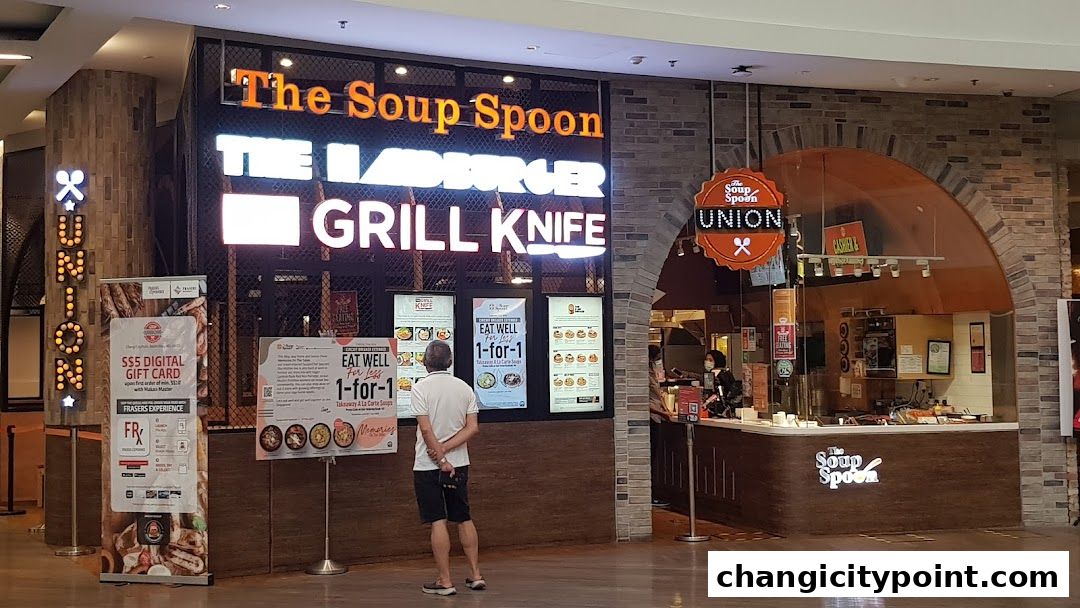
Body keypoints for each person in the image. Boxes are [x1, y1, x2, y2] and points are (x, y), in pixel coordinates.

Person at [411, 340, 483, 596]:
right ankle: (475, 575)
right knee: (463, 517)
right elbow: (472, 428)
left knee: (437, 520)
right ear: (450, 361)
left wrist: (440, 457)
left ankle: (445, 580)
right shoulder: (464, 387)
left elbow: (426, 429)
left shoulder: (420, 388)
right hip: (460, 464)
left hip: (427, 465)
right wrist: (448, 451)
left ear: (424, 362)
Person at [648, 345, 671, 508]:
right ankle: (649, 495)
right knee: (650, 457)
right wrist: (663, 413)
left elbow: (657, 394)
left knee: (653, 457)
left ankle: (652, 494)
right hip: (651, 418)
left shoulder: (650, 371)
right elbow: (642, 399)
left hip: (656, 416)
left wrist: (665, 409)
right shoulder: (643, 372)